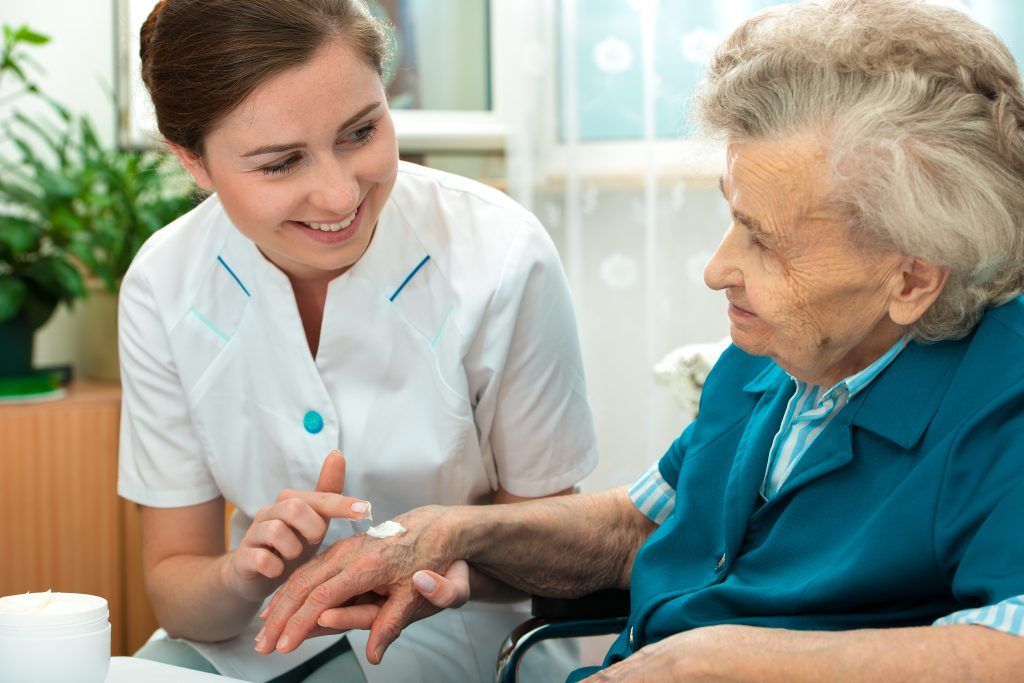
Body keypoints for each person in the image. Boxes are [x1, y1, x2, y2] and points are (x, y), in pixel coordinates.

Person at [255, 0, 1024, 680]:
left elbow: (1010, 645)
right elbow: (644, 523)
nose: (719, 269)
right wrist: (452, 530)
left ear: (913, 279)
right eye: (731, 215)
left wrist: (724, 662)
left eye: (764, 240)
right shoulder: (779, 356)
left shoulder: (1001, 397)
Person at [116, 1, 598, 681]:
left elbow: (559, 551)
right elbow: (178, 590)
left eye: (361, 131)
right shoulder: (164, 283)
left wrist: (448, 560)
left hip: (465, 641)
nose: (339, 195)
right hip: (255, 641)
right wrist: (244, 571)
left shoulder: (502, 256)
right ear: (192, 159)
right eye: (281, 163)